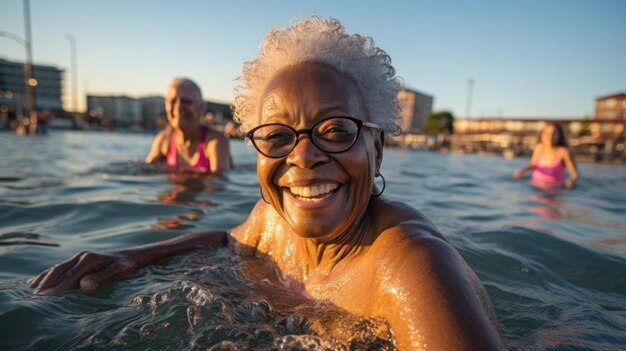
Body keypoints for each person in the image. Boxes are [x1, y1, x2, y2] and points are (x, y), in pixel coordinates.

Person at [30, 17, 506, 350]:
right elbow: (222, 238)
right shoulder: (271, 223)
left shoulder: (409, 267)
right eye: (277, 137)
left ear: (376, 148)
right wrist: (132, 256)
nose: (302, 155)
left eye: (336, 130)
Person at [145, 78, 232, 172]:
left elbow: (218, 182)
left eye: (186, 102)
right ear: (166, 105)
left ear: (201, 107)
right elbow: (145, 172)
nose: (178, 107)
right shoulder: (164, 139)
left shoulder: (215, 141)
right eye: (173, 101)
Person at [513, 122, 579, 188]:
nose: (550, 136)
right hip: (535, 186)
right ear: (542, 135)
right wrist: (522, 171)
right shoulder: (539, 148)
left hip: (555, 188)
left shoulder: (563, 152)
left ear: (559, 136)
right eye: (547, 134)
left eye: (554, 134)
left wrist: (571, 180)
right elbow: (533, 164)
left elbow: (575, 174)